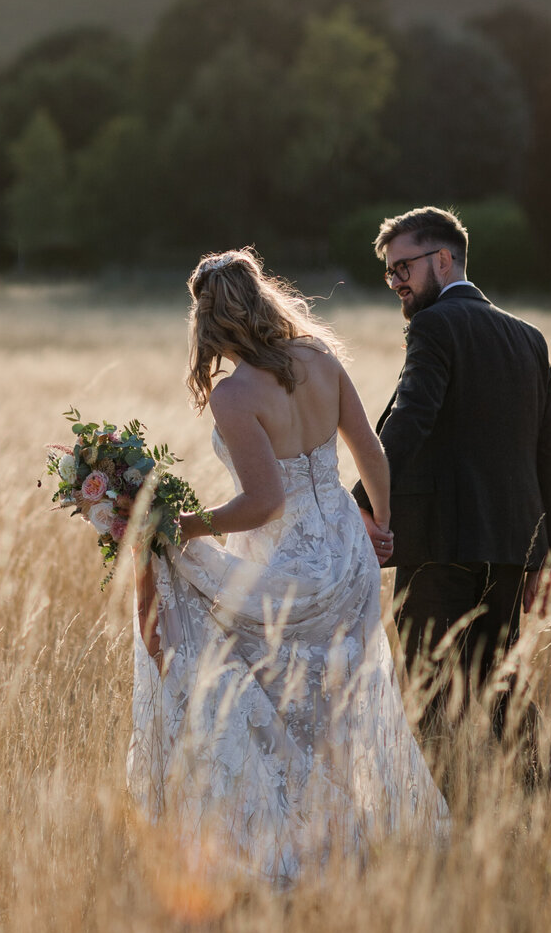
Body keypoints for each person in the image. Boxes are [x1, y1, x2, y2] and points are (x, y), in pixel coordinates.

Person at [127, 249, 447, 887]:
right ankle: (354, 842)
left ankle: (292, 850)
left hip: (288, 568)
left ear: (210, 322)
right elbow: (372, 450)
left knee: (266, 703)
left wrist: (182, 527)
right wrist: (380, 527)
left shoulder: (235, 393)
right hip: (347, 562)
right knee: (341, 706)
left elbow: (264, 502)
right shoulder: (321, 359)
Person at [352, 206, 551, 778]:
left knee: (430, 700)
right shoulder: (528, 337)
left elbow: (407, 423)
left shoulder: (434, 326)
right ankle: (548, 817)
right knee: (504, 694)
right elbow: (550, 451)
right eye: (390, 271)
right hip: (507, 551)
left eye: (405, 266)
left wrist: (357, 506)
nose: (396, 281)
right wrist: (548, 556)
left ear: (443, 258)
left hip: (438, 551)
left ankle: (450, 822)